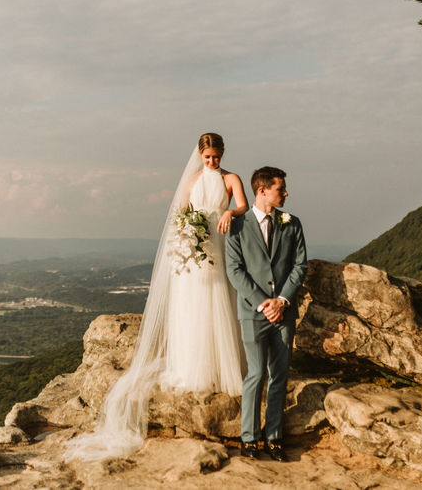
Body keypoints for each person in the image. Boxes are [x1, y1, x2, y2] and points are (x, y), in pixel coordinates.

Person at [64, 132, 249, 461]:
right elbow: (179, 214)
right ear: (200, 155)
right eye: (208, 157)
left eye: (216, 157)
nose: (212, 162)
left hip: (221, 241)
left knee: (223, 298)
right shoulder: (191, 180)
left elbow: (243, 205)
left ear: (222, 154)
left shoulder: (231, 178)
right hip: (198, 245)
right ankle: (194, 365)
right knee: (195, 304)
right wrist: (187, 233)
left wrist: (229, 213)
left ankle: (224, 364)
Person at [225, 166, 307, 462]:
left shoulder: (291, 223)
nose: (285, 194)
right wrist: (263, 302)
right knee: (256, 373)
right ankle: (249, 438)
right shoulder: (236, 225)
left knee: (279, 375)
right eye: (280, 189)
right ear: (262, 191)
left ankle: (274, 438)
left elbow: (300, 266)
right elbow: (234, 270)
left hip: (284, 311)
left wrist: (282, 301)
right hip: (252, 311)